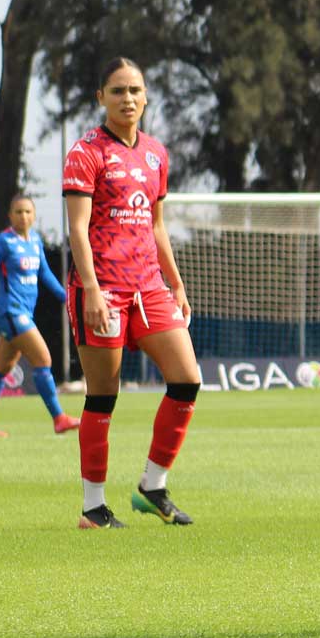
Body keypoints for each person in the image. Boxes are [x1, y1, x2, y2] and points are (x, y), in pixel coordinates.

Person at [62, 57, 202, 529]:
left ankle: (153, 485)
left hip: (149, 288)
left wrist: (175, 281)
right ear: (101, 97)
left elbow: (156, 225)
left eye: (135, 90)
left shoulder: (156, 154)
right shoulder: (86, 152)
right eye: (118, 90)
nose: (128, 99)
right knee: (104, 395)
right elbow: (77, 229)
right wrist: (92, 291)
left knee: (187, 380)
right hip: (103, 289)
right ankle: (93, 507)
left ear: (145, 97)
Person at [0, 197, 79, 437]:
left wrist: (68, 298)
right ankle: (59, 418)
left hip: (23, 313)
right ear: (10, 215)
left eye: (28, 211)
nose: (23, 216)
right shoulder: (2, 242)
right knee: (43, 359)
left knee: (1, 369)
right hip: (10, 312)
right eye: (18, 211)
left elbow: (46, 274)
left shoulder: (35, 241)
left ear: (34, 214)